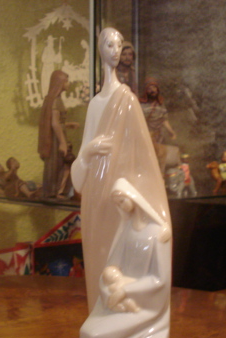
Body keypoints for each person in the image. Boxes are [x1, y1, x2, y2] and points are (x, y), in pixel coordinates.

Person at [71, 27, 169, 312]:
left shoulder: (128, 100)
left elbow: (145, 158)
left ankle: (120, 311)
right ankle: (101, 316)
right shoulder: (95, 105)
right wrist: (88, 152)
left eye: (118, 45)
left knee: (117, 262)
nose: (115, 51)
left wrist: (158, 213)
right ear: (100, 50)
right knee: (98, 261)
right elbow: (78, 174)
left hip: (119, 196)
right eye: (109, 45)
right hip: (95, 197)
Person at [80, 178, 172, 338]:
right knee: (87, 331)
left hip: (147, 305)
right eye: (117, 202)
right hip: (119, 296)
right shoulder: (126, 231)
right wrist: (110, 288)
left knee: (96, 336)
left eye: (122, 200)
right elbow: (111, 268)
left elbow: (159, 280)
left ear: (135, 199)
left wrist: (126, 291)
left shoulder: (158, 234)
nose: (120, 205)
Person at [38, 70, 79, 199]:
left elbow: (57, 122)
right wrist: (62, 142)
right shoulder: (55, 100)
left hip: (57, 136)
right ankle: (53, 191)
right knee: (56, 164)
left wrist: (68, 125)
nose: (68, 83)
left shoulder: (55, 99)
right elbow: (54, 123)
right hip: (55, 139)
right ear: (59, 83)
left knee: (61, 164)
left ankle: (58, 191)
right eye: (66, 81)